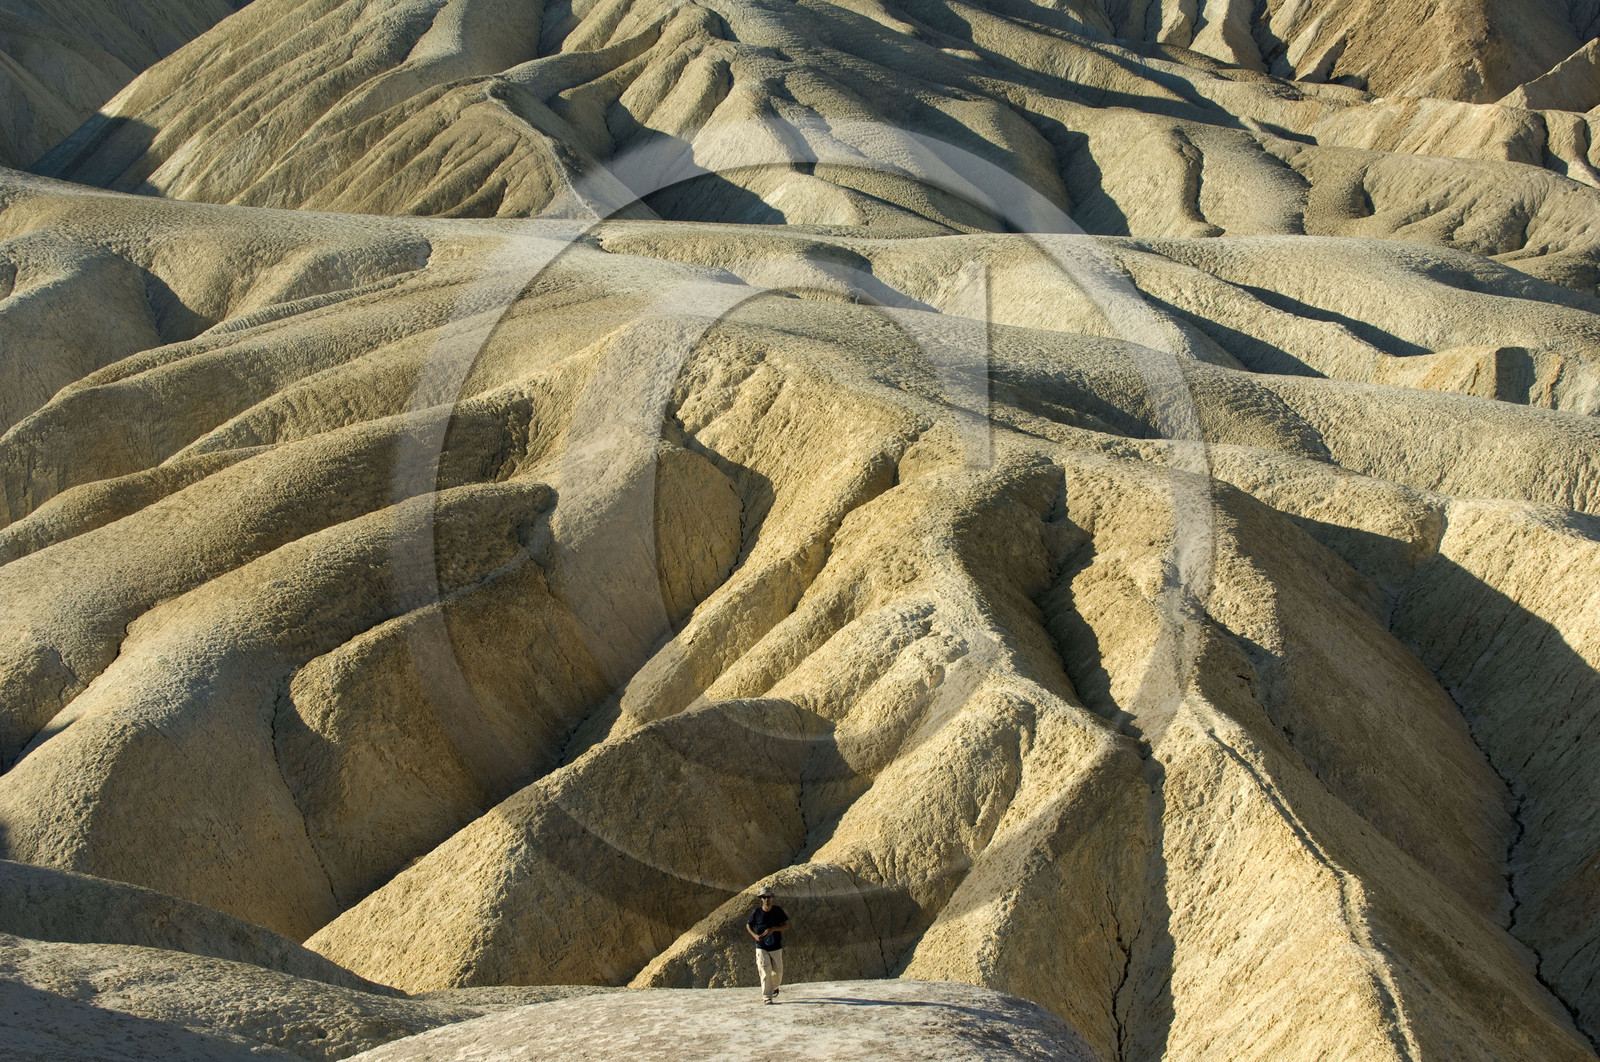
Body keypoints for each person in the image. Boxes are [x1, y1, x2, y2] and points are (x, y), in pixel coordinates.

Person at [745, 886, 789, 1004]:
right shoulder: (756, 912)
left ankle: (774, 986)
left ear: (771, 898)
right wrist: (755, 936)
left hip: (776, 946)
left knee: (778, 971)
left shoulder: (777, 911)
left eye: (768, 897)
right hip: (761, 946)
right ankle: (767, 996)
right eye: (764, 897)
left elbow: (786, 926)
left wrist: (773, 929)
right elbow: (748, 925)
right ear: (761, 899)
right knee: (764, 970)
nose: (766, 899)